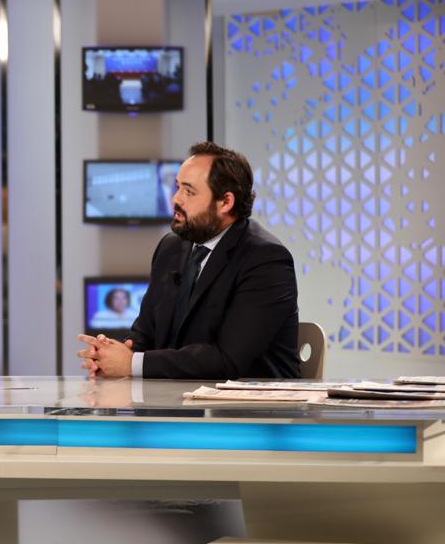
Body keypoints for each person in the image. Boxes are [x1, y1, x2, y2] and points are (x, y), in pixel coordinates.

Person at [77, 141, 300, 380]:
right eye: (177, 187)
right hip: (179, 396)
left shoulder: (265, 260)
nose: (175, 199)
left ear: (225, 202)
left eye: (189, 192)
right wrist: (113, 355)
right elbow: (146, 335)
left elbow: (228, 361)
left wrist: (133, 364)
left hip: (249, 400)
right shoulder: (171, 247)